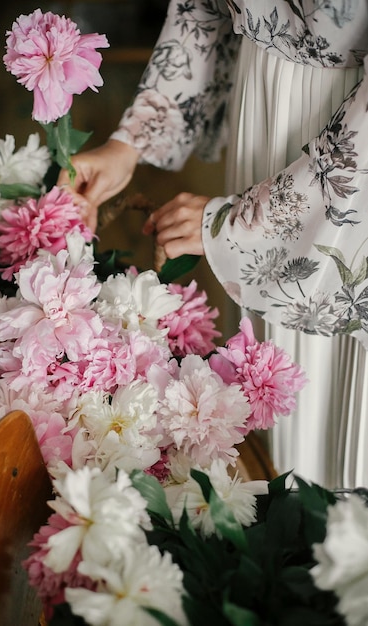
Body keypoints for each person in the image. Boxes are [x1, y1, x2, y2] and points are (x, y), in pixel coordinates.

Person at [58, 1, 368, 490]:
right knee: (261, 389)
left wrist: (249, 222)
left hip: (346, 166)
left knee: (328, 406)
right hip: (260, 122)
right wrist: (130, 141)